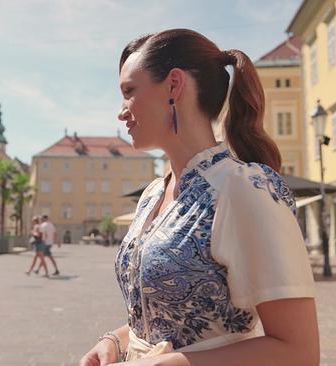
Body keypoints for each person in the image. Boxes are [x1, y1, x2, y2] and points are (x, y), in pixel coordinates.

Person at [79, 29, 318, 365]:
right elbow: (166, 319)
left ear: (174, 85)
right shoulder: (152, 194)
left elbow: (299, 352)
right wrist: (116, 342)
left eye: (129, 92)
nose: (121, 112)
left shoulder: (243, 189)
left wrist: (173, 364)